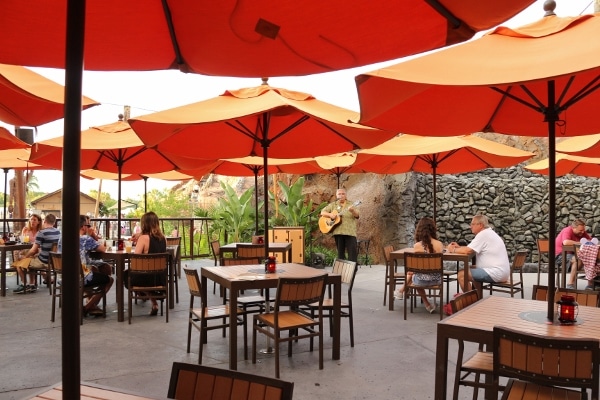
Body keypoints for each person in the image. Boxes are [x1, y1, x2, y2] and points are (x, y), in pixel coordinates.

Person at [448, 214, 510, 297]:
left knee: (461, 274)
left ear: (480, 225)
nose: (470, 227)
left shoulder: (483, 235)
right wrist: (459, 247)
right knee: (472, 268)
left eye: (473, 224)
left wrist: (453, 250)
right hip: (501, 272)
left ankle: (471, 302)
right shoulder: (488, 233)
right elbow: (470, 248)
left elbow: (468, 251)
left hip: (495, 273)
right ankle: (478, 298)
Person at [394, 217, 442, 313]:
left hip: (420, 281)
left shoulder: (417, 246)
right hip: (436, 280)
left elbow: (417, 267)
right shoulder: (439, 244)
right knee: (413, 273)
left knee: (412, 274)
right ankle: (402, 291)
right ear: (433, 229)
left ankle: (425, 303)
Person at [123, 211, 167, 316]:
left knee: (125, 274)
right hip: (160, 277)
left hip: (146, 278)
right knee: (146, 272)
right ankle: (152, 301)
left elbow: (135, 258)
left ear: (144, 224)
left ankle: (143, 293)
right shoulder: (163, 238)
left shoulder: (143, 238)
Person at [13, 213, 60, 294]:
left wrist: (24, 257)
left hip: (43, 262)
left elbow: (33, 250)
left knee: (19, 264)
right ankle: (32, 284)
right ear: (54, 222)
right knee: (30, 260)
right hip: (54, 262)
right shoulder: (58, 232)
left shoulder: (42, 233)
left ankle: (24, 285)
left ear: (44, 221)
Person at [79, 215, 114, 316]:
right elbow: (103, 249)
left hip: (63, 276)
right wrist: (91, 236)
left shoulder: (62, 238)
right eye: (88, 225)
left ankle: (92, 304)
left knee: (102, 267)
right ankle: (88, 307)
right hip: (80, 276)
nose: (89, 227)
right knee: (109, 280)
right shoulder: (85, 239)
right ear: (83, 227)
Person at [320, 188, 359, 262]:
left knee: (352, 253)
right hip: (338, 232)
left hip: (350, 232)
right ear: (336, 195)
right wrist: (330, 215)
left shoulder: (351, 204)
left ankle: (353, 270)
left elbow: (357, 215)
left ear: (346, 195)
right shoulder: (333, 205)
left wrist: (353, 211)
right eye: (339, 194)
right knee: (340, 254)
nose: (341, 195)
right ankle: (341, 270)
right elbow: (322, 212)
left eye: (343, 194)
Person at [555, 219, 591, 289]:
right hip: (560, 255)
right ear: (573, 228)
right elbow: (566, 242)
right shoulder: (567, 230)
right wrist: (581, 243)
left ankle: (590, 284)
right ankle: (570, 284)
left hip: (573, 253)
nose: (583, 232)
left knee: (592, 258)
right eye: (580, 230)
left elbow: (590, 240)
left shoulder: (582, 232)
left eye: (583, 230)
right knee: (577, 259)